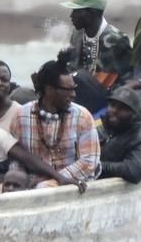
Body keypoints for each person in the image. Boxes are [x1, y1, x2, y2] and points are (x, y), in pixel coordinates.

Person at [9, 60, 101, 189]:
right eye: (68, 90)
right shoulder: (21, 115)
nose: (73, 95)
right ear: (50, 90)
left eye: (74, 89)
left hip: (72, 185)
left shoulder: (82, 116)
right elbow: (17, 159)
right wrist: (20, 179)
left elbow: (89, 162)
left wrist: (53, 180)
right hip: (30, 185)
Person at [59, 0, 126, 114]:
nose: (71, 16)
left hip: (107, 98)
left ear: (92, 13)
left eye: (76, 11)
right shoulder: (78, 33)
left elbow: (109, 82)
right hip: (79, 91)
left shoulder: (115, 39)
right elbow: (73, 67)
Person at [96, 88, 141, 185]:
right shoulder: (105, 127)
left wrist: (98, 166)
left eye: (121, 108)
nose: (114, 110)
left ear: (134, 114)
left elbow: (134, 170)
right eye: (112, 105)